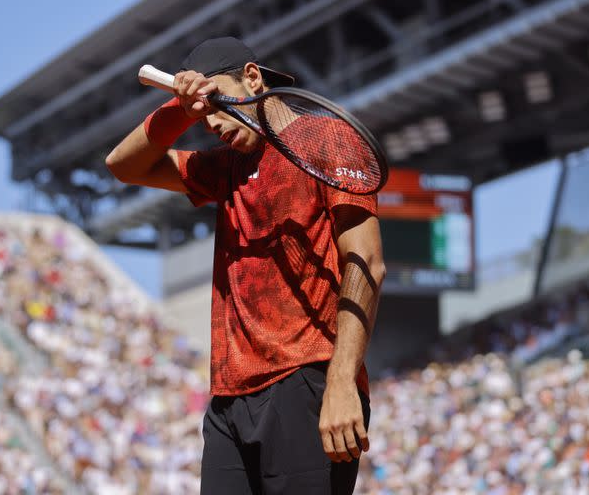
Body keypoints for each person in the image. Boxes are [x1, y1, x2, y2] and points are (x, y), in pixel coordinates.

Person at [106, 37, 385, 494]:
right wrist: (182, 108)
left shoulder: (329, 138)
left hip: (307, 380)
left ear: (252, 77)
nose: (212, 122)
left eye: (217, 101)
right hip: (229, 401)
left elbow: (367, 261)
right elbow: (123, 165)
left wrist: (341, 381)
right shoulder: (226, 166)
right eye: (206, 112)